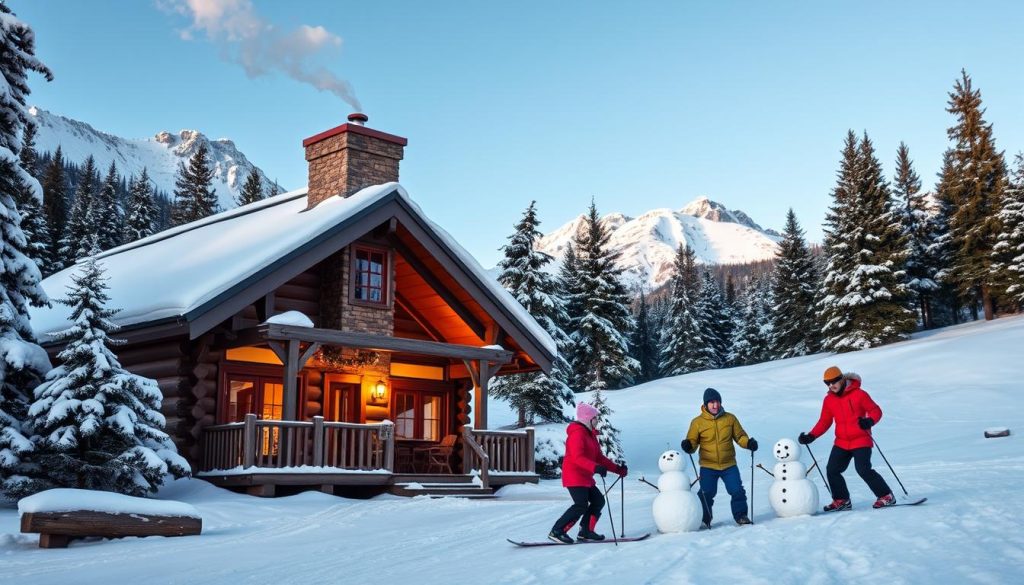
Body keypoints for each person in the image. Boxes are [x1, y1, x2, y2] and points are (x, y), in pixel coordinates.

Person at [799, 366, 895, 511]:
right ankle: (841, 500)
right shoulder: (829, 400)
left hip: (861, 439)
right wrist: (811, 436)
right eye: (827, 383)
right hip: (842, 442)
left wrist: (869, 421)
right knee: (832, 470)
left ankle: (886, 496)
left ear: (842, 379)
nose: (831, 385)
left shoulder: (859, 394)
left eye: (834, 381)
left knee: (863, 469)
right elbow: (825, 421)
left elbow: (876, 411)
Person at [548, 402, 628, 544]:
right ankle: (557, 531)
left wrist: (618, 469)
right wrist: (595, 467)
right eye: (595, 418)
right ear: (587, 419)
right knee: (581, 505)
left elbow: (599, 458)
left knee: (598, 501)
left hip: (585, 476)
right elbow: (577, 457)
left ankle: (586, 531)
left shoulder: (590, 435)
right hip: (574, 475)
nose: (597, 420)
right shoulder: (577, 434)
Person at [680, 388, 757, 528]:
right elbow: (692, 442)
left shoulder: (730, 418)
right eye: (711, 402)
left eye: (717, 402)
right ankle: (704, 519)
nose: (715, 405)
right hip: (708, 466)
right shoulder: (697, 422)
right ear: (705, 404)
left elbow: (740, 437)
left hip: (729, 464)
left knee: (737, 490)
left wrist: (748, 443)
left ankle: (741, 516)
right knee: (706, 493)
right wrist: (688, 445)